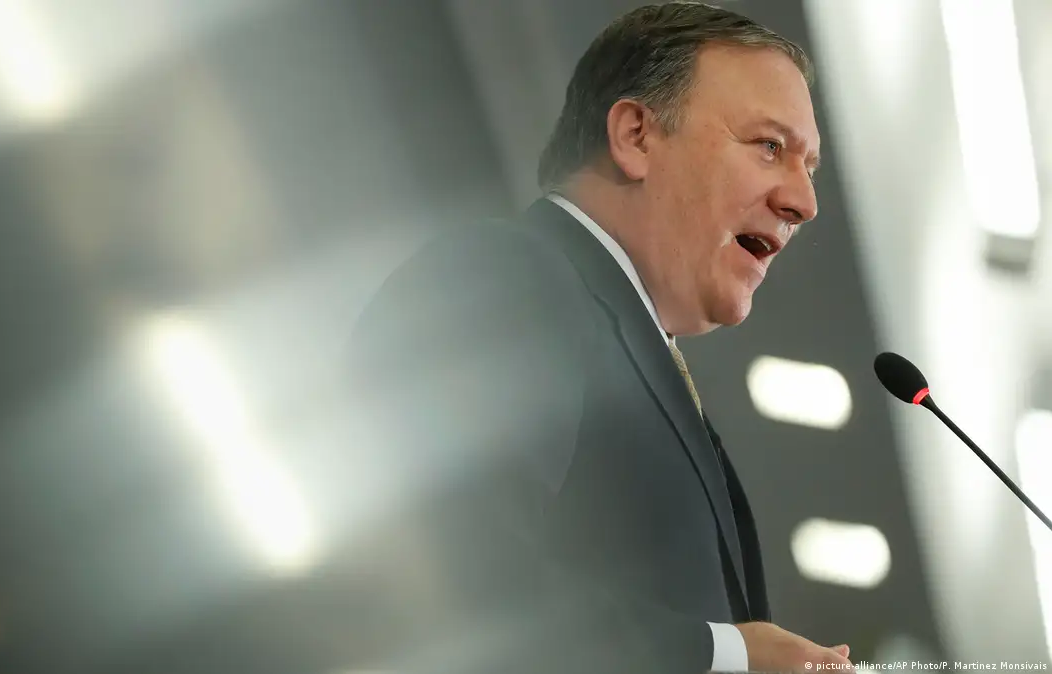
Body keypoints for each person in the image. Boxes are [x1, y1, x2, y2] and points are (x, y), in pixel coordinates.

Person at [334, 2, 854, 672]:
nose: (804, 203)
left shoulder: (646, 364)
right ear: (635, 136)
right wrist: (722, 653)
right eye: (769, 147)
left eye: (810, 167)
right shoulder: (505, 276)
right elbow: (437, 572)